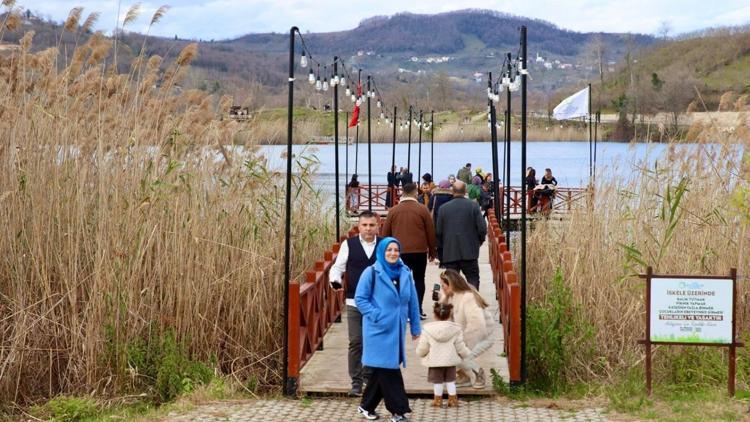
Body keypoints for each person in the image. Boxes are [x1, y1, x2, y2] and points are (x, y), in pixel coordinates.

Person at [355, 237, 421, 422]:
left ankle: (366, 406)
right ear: (382, 252)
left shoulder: (405, 273)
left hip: (396, 330)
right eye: (389, 250)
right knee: (389, 370)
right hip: (378, 331)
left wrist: (415, 326)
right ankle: (398, 410)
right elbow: (360, 299)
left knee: (380, 370)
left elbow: (413, 301)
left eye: (396, 250)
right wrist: (377, 315)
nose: (393, 253)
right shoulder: (371, 272)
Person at [329, 211, 382, 396]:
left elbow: (396, 268)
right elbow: (337, 267)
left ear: (378, 225)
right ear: (358, 226)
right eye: (364, 225)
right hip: (354, 301)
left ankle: (370, 377)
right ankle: (356, 382)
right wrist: (335, 280)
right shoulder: (349, 244)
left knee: (373, 341)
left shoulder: (384, 245)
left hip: (378, 303)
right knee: (356, 341)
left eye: (371, 225)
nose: (368, 228)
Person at [382, 183, 437, 320]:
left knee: (400, 280)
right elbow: (430, 232)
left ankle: (402, 311)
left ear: (402, 193)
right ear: (415, 194)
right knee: (419, 279)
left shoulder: (393, 211)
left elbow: (385, 233)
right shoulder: (423, 210)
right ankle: (417, 310)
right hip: (419, 251)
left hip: (399, 252)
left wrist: (385, 251)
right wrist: (432, 250)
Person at [437, 269, 494, 389]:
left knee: (457, 355)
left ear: (451, 284)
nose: (442, 289)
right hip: (465, 336)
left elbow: (477, 325)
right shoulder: (453, 297)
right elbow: (443, 319)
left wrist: (464, 345)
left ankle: (478, 373)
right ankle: (464, 377)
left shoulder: (468, 297)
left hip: (482, 336)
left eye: (443, 286)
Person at [416, 302, 472, 408]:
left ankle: (438, 401)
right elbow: (460, 345)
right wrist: (466, 354)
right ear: (450, 314)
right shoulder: (455, 329)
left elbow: (424, 346)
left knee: (437, 382)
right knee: (451, 381)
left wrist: (420, 353)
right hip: (450, 360)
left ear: (434, 314)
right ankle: (453, 400)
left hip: (435, 361)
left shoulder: (427, 329)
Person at [435, 181, 487, 289]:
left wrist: (442, 250)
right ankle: (472, 302)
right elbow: (482, 228)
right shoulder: (473, 206)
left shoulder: (443, 209)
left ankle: (455, 304)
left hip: (450, 252)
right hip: (470, 251)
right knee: (473, 279)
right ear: (465, 191)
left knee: (452, 283)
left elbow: (438, 232)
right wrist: (479, 241)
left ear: (452, 191)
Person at [428, 180, 453, 265]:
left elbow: (429, 207)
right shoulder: (452, 196)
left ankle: (441, 260)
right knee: (448, 241)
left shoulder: (434, 196)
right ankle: (447, 260)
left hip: (436, 221)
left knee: (439, 241)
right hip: (449, 223)